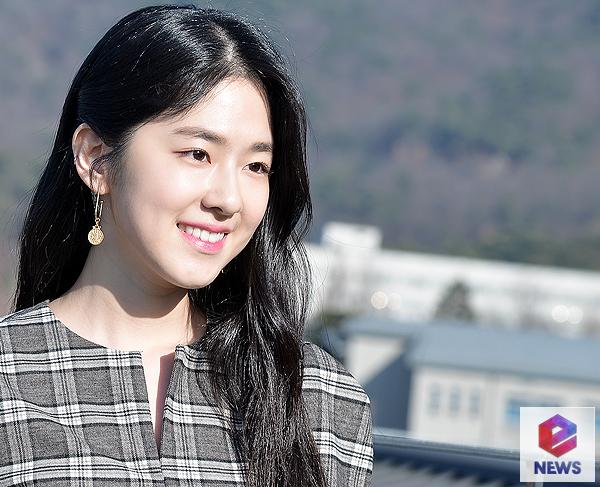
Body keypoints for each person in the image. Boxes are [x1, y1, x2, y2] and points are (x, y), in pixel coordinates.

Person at [0, 4, 373, 487]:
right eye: (198, 154)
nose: (228, 199)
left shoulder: (320, 399)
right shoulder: (11, 378)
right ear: (96, 158)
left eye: (256, 166)